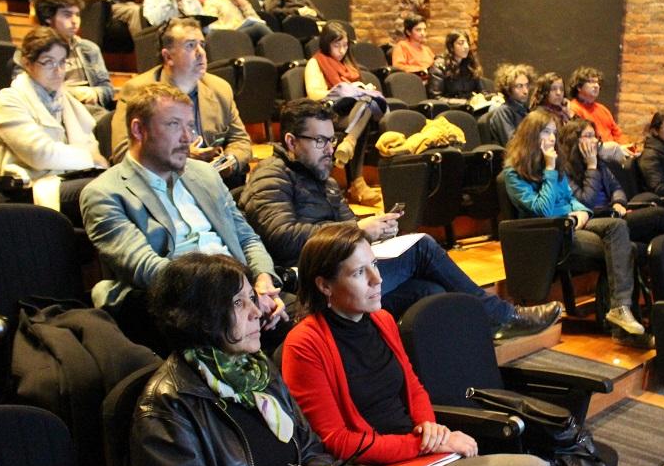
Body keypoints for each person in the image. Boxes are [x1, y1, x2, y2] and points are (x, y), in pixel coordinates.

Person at [282, 223, 633, 466]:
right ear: (324, 285)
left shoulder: (382, 320)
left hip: (424, 461)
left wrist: (428, 425)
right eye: (358, 272)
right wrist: (426, 443)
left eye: (374, 265)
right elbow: (339, 442)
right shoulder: (304, 344)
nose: (376, 279)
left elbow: (413, 387)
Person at [130, 253, 423, 466]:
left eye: (252, 299)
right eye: (240, 303)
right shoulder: (169, 401)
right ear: (202, 317)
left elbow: (308, 445)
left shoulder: (258, 371)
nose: (258, 311)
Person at [239, 99, 562, 339]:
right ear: (292, 142)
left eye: (331, 140)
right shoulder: (271, 175)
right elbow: (281, 236)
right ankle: (501, 316)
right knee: (422, 246)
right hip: (312, 278)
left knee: (431, 291)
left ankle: (461, 363)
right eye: (320, 141)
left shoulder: (324, 180)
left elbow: (347, 228)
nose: (329, 149)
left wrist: (375, 232)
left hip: (346, 266)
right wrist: (357, 230)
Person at [81, 82, 284, 351]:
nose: (188, 138)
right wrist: (236, 295)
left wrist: (263, 281)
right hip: (184, 303)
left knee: (310, 317)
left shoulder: (205, 174)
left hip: (240, 290)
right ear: (138, 129)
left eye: (189, 126)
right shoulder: (104, 193)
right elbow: (146, 269)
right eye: (174, 125)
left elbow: (247, 238)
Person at [503, 110, 645, 337]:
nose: (551, 138)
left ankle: (620, 310)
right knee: (623, 250)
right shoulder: (513, 174)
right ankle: (622, 326)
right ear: (531, 136)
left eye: (553, 133)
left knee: (617, 227)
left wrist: (581, 212)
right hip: (550, 233)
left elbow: (572, 199)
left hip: (574, 223)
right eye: (546, 132)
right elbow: (542, 210)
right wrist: (549, 170)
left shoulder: (554, 166)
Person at [109, 17, 252, 188]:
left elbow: (241, 141)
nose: (201, 53)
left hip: (214, 183)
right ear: (168, 56)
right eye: (191, 45)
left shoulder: (220, 89)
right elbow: (122, 153)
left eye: (202, 45)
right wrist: (181, 155)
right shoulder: (137, 91)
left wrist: (227, 163)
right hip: (160, 187)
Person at [0, 27, 108, 225]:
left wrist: (94, 160)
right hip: (35, 187)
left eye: (62, 62)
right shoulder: (8, 99)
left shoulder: (66, 99)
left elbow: (90, 141)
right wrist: (90, 159)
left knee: (124, 183)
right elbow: (40, 155)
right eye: (48, 62)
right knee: (103, 189)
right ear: (28, 64)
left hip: (72, 178)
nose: (58, 70)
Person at [558, 118, 664, 243]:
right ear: (572, 140)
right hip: (596, 217)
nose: (595, 140)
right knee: (659, 215)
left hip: (612, 211)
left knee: (650, 198)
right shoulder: (564, 170)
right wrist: (591, 168)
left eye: (595, 136)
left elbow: (616, 187)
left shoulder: (600, 164)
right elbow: (586, 202)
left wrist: (618, 203)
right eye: (588, 136)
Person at [303, 21, 386, 206]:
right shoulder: (315, 63)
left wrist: (362, 89)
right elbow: (314, 94)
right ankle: (357, 183)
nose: (341, 50)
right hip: (329, 115)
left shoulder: (348, 65)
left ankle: (349, 142)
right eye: (336, 45)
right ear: (326, 44)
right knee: (362, 115)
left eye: (345, 45)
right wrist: (345, 90)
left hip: (351, 115)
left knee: (367, 102)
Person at [22, 0, 114, 121]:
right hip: (52, 112)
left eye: (77, 15)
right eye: (67, 15)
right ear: (48, 17)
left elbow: (107, 89)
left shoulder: (89, 48)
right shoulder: (32, 50)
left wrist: (94, 93)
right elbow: (29, 90)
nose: (74, 21)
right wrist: (69, 93)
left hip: (90, 109)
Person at [567, 66, 636, 166]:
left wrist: (625, 146)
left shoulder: (602, 109)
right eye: (591, 82)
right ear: (579, 87)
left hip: (612, 152)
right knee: (614, 148)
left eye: (597, 83)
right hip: (592, 151)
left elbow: (617, 133)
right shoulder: (573, 108)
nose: (596, 86)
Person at [426, 29, 485, 105]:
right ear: (451, 47)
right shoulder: (439, 66)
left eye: (467, 43)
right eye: (461, 43)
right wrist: (465, 102)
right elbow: (436, 98)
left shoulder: (470, 64)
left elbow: (482, 92)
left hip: (470, 107)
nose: (466, 46)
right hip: (450, 109)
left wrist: (490, 98)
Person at [487, 62, 535, 146]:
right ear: (508, 89)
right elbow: (513, 144)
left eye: (527, 85)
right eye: (519, 86)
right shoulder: (503, 112)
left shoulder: (526, 110)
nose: (526, 91)